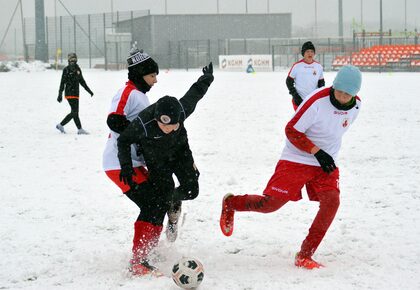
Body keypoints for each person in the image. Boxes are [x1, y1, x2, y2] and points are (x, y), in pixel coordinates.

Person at [220, 65, 362, 270]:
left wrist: (326, 156)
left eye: (346, 94)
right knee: (271, 205)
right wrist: (316, 151)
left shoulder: (356, 106)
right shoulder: (315, 102)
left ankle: (305, 255)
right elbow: (291, 131)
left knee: (332, 202)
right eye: (338, 90)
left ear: (355, 94)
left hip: (326, 162)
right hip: (297, 157)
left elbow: (335, 131)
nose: (341, 96)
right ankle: (231, 203)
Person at [116, 62, 214, 276]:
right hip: (157, 162)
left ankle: (174, 202)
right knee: (159, 196)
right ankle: (166, 212)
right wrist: (125, 166)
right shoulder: (143, 123)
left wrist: (207, 78)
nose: (171, 129)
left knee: (192, 190)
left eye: (175, 126)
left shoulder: (181, 110)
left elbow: (194, 94)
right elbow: (123, 141)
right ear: (157, 120)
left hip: (180, 154)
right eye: (166, 126)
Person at [56, 52, 94, 134]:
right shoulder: (66, 70)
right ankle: (61, 125)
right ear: (69, 60)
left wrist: (89, 90)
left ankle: (80, 129)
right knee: (74, 112)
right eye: (71, 59)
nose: (73, 61)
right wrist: (60, 94)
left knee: (75, 112)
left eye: (74, 59)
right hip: (69, 93)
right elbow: (62, 83)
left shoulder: (78, 69)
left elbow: (82, 81)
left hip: (76, 94)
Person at [286, 41, 325, 111]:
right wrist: (295, 96)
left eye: (312, 51)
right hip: (299, 101)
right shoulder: (297, 66)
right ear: (303, 53)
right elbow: (289, 82)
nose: (310, 53)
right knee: (302, 121)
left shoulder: (318, 66)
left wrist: (319, 97)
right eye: (307, 51)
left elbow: (321, 84)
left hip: (313, 101)